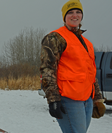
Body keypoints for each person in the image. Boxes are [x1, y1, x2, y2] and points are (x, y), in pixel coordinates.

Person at [40, 0, 106, 132]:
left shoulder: (87, 43)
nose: (74, 15)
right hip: (69, 99)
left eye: (78, 12)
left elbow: (91, 73)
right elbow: (47, 69)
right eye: (70, 13)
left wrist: (97, 98)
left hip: (86, 99)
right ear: (64, 17)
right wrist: (53, 99)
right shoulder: (55, 38)